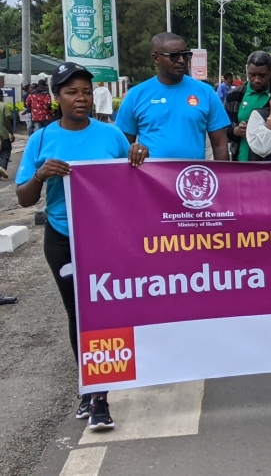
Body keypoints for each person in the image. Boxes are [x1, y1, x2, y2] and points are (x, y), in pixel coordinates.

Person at [16, 62, 149, 431]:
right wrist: (41, 175)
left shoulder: (111, 136)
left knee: (107, 311)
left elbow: (135, 183)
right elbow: (25, 199)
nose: (81, 99)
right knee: (80, 314)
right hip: (63, 239)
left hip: (107, 240)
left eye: (87, 92)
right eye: (72, 92)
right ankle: (93, 391)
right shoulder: (42, 140)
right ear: (56, 97)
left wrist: (139, 158)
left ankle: (100, 390)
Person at [116, 32, 231, 160]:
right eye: (174, 56)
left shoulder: (206, 92)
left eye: (185, 55)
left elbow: (219, 144)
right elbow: (123, 146)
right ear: (156, 58)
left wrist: (224, 177)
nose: (182, 60)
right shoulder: (136, 95)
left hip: (192, 177)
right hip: (151, 178)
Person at [225, 51, 271, 161]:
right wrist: (236, 131)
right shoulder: (234, 96)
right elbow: (221, 133)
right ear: (247, 71)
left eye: (262, 75)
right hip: (241, 164)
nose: (256, 80)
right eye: (252, 75)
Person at [0, 90, 12, 179]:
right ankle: (2, 167)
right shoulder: (3, 106)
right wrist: (11, 133)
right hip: (2, 134)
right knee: (6, 151)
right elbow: (7, 120)